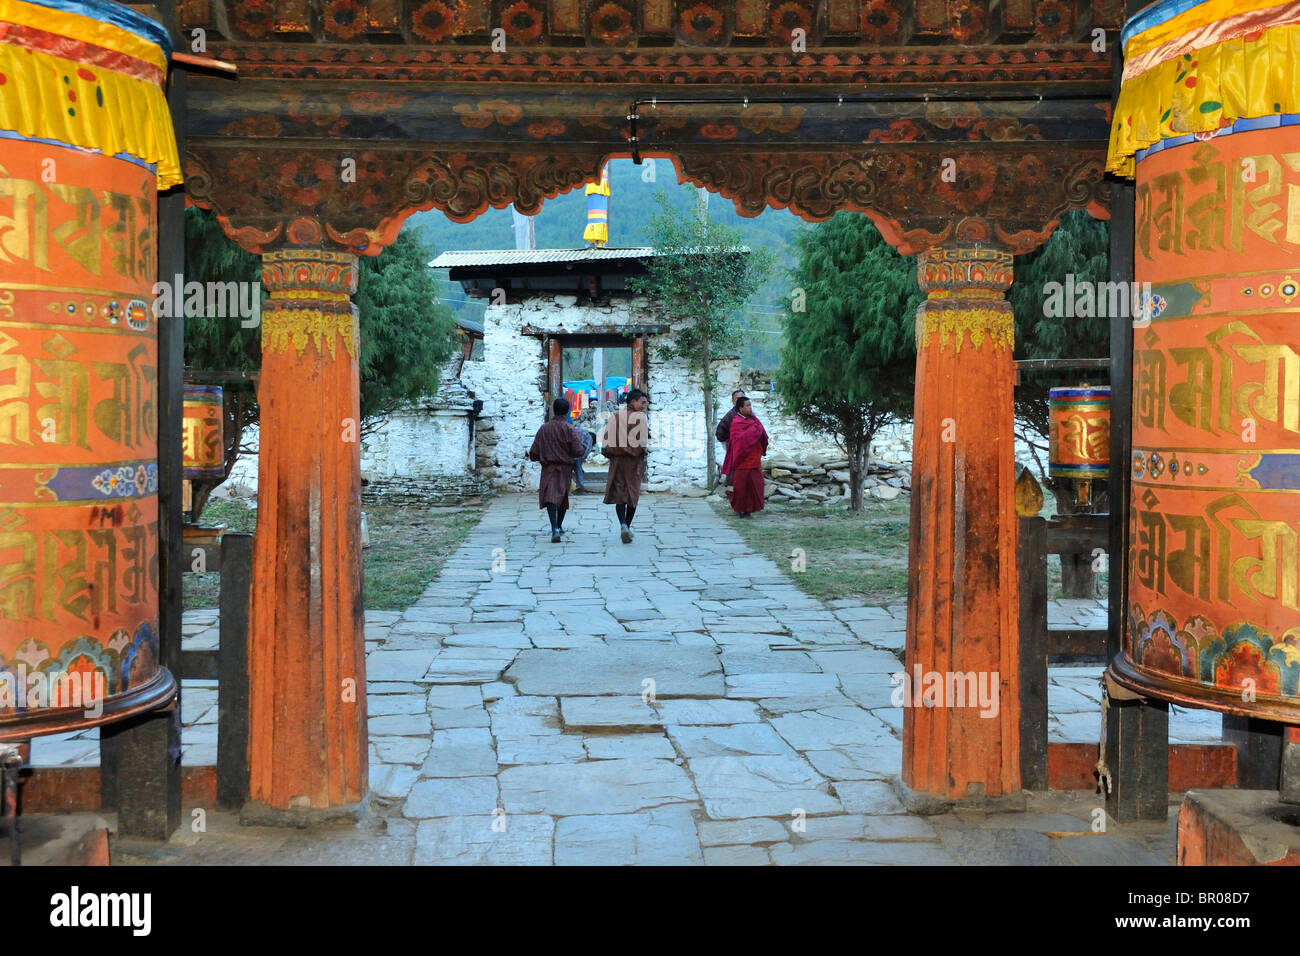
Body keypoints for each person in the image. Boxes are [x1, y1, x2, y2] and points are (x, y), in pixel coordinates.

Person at [528, 397, 586, 543]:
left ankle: (555, 527)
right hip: (565, 468)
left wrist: (542, 456)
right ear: (567, 411)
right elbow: (578, 451)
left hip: (548, 468)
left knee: (550, 497)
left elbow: (533, 453)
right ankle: (558, 527)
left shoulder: (544, 429)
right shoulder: (569, 429)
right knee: (561, 497)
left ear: (554, 409)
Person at [599, 387, 650, 543]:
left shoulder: (615, 417)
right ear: (633, 401)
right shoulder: (640, 418)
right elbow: (643, 443)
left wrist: (612, 455)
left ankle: (623, 525)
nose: (643, 406)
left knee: (620, 495)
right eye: (642, 402)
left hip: (617, 462)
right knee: (632, 495)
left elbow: (606, 443)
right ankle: (627, 525)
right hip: (633, 463)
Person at [727, 396, 768, 518]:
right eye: (748, 406)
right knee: (741, 487)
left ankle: (749, 509)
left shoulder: (754, 420)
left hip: (754, 459)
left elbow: (762, 433)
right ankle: (741, 509)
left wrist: (756, 430)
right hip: (742, 460)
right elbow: (739, 440)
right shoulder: (736, 422)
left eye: (751, 405)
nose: (750, 408)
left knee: (756, 485)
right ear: (740, 408)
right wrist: (755, 431)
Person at [715, 389, 746, 488]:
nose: (740, 400)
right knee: (734, 467)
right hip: (735, 447)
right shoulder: (731, 415)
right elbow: (720, 432)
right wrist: (729, 441)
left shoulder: (748, 413)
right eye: (737, 399)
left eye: (742, 398)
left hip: (747, 447)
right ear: (733, 401)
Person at [572, 426, 596, 492]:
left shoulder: (580, 430)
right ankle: (580, 486)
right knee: (578, 468)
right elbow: (585, 453)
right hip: (576, 452)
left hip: (569, 450)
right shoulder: (589, 438)